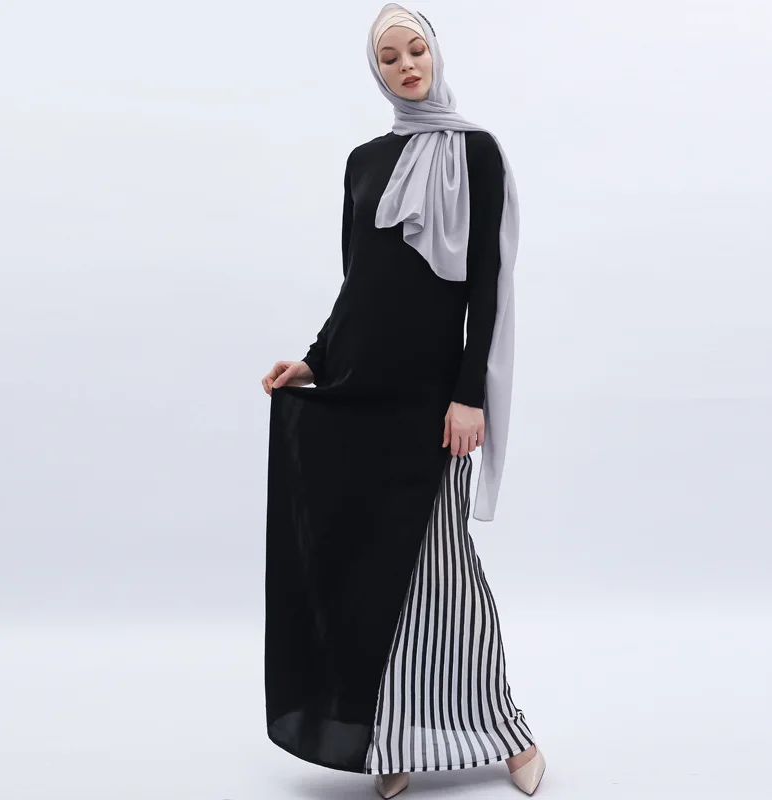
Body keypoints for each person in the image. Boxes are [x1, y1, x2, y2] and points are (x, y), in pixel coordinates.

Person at [261, 4, 546, 797]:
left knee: (442, 568)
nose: (407, 65)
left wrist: (468, 395)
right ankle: (390, 738)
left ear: (436, 53)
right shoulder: (362, 162)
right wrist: (314, 363)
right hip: (362, 390)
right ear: (376, 71)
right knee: (366, 570)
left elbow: (486, 285)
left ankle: (509, 732)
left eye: (416, 49)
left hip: (432, 401)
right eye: (389, 57)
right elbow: (357, 284)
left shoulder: (476, 151)